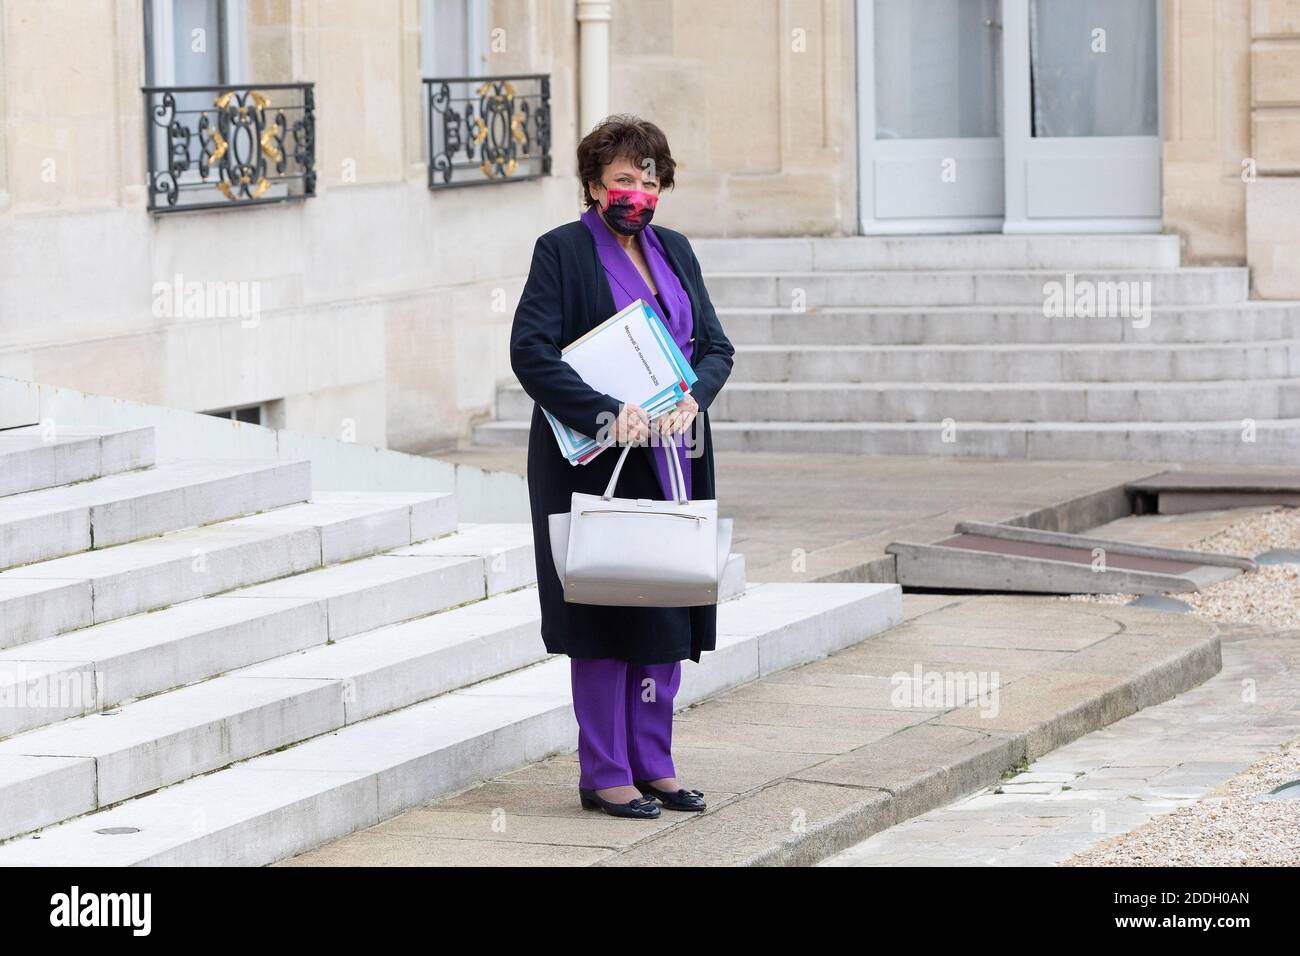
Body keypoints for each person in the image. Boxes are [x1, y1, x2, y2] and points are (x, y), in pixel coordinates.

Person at [509, 114, 735, 819]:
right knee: (605, 612)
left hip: (674, 455)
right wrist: (608, 411)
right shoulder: (561, 253)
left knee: (664, 604)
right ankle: (606, 772)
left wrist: (694, 398)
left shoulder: (675, 249)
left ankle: (655, 764)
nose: (638, 192)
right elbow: (531, 352)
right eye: (622, 181)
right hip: (596, 458)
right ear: (592, 186)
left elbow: (717, 347)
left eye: (649, 180)